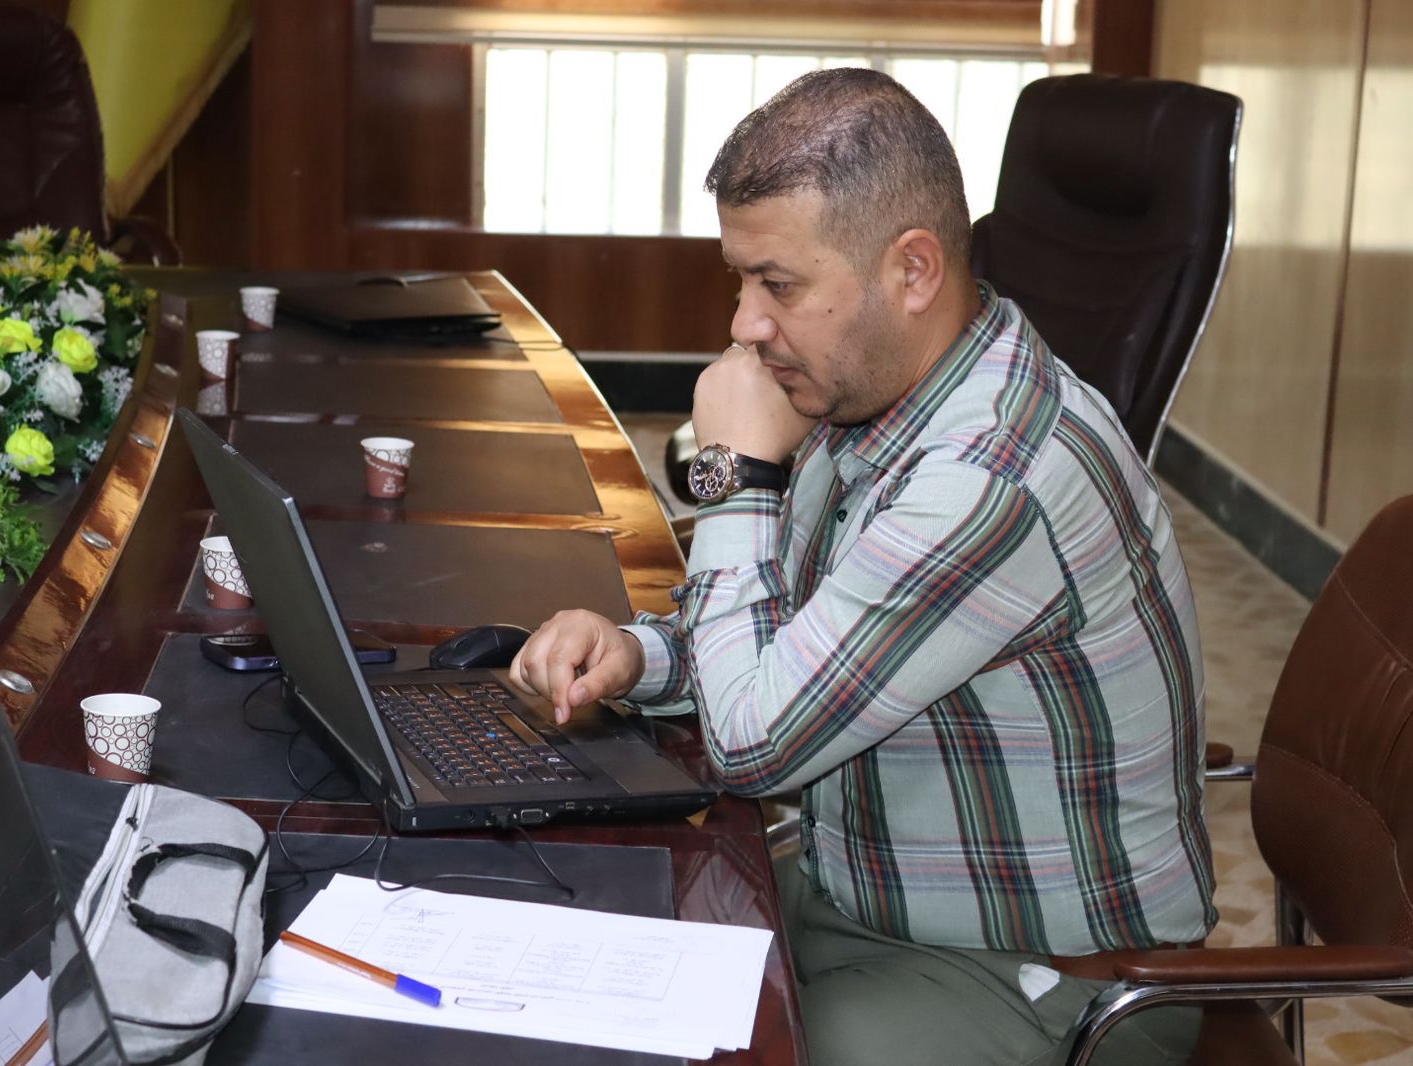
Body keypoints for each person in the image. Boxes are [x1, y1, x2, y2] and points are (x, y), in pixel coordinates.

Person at [511, 68, 1215, 1065]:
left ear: (913, 271)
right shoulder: (871, 396)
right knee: (587, 944)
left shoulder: (991, 478)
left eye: (779, 285)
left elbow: (754, 747)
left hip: (1046, 982)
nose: (745, 324)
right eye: (741, 279)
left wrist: (739, 476)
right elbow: (791, 635)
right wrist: (638, 657)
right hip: (865, 902)